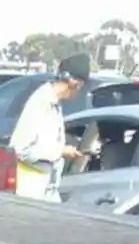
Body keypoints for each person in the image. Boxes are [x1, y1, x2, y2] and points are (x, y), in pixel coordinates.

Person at [8, 53, 90, 201]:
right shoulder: (40, 102)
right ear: (74, 83)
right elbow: (20, 149)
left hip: (47, 191)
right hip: (30, 195)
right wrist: (61, 151)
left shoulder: (55, 104)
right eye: (81, 87)